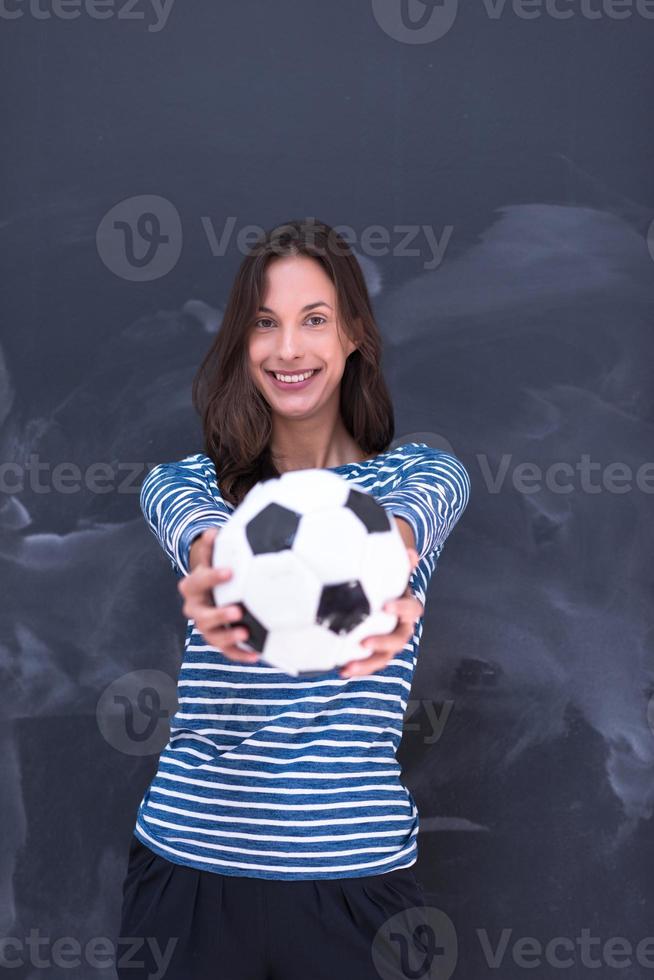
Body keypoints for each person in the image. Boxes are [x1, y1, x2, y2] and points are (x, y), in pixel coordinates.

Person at [117, 218, 471, 980]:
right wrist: (224, 578)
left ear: (353, 336)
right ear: (241, 346)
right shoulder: (188, 485)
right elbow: (205, 538)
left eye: (314, 320)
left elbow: (420, 516)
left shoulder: (419, 478)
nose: (288, 350)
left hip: (358, 886)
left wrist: (386, 569)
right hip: (191, 877)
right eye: (264, 325)